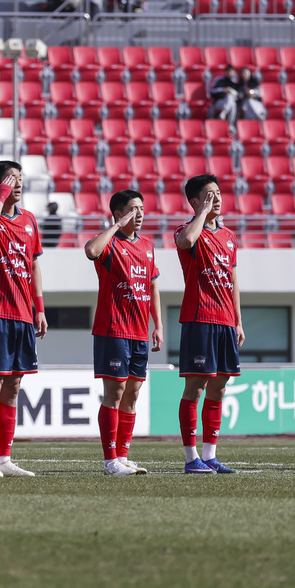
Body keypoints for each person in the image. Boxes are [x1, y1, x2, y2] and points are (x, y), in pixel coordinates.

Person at [0, 160, 48, 477]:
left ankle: (4, 458)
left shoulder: (29, 220)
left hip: (23, 313)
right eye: (10, 179)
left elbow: (34, 265)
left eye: (19, 178)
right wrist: (0, 197)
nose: (18, 183)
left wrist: (39, 308)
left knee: (14, 386)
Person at [84, 189, 163, 476]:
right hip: (113, 329)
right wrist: (116, 226)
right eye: (132, 209)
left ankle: (123, 456)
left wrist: (158, 325)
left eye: (141, 208)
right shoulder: (109, 243)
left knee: (133, 394)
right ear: (118, 214)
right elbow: (90, 251)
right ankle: (110, 461)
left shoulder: (147, 246)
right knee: (115, 392)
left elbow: (152, 286)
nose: (139, 214)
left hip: (139, 332)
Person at [173, 174, 244, 474]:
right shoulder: (187, 230)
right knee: (196, 387)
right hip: (199, 318)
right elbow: (186, 241)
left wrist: (238, 321)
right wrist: (202, 213)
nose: (217, 199)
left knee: (220, 387)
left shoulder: (228, 236)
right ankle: (191, 459)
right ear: (194, 201)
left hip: (226, 321)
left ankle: (210, 456)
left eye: (218, 193)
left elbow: (233, 279)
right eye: (209, 195)